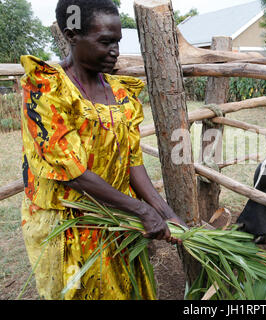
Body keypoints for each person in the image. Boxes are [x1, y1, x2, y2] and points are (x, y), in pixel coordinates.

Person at [20, 0, 185, 300]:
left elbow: (133, 163)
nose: (115, 51)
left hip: (117, 220)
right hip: (70, 225)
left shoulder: (120, 93)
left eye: (118, 42)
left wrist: (164, 211)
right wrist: (142, 210)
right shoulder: (46, 90)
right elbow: (73, 174)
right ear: (71, 36)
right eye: (105, 42)